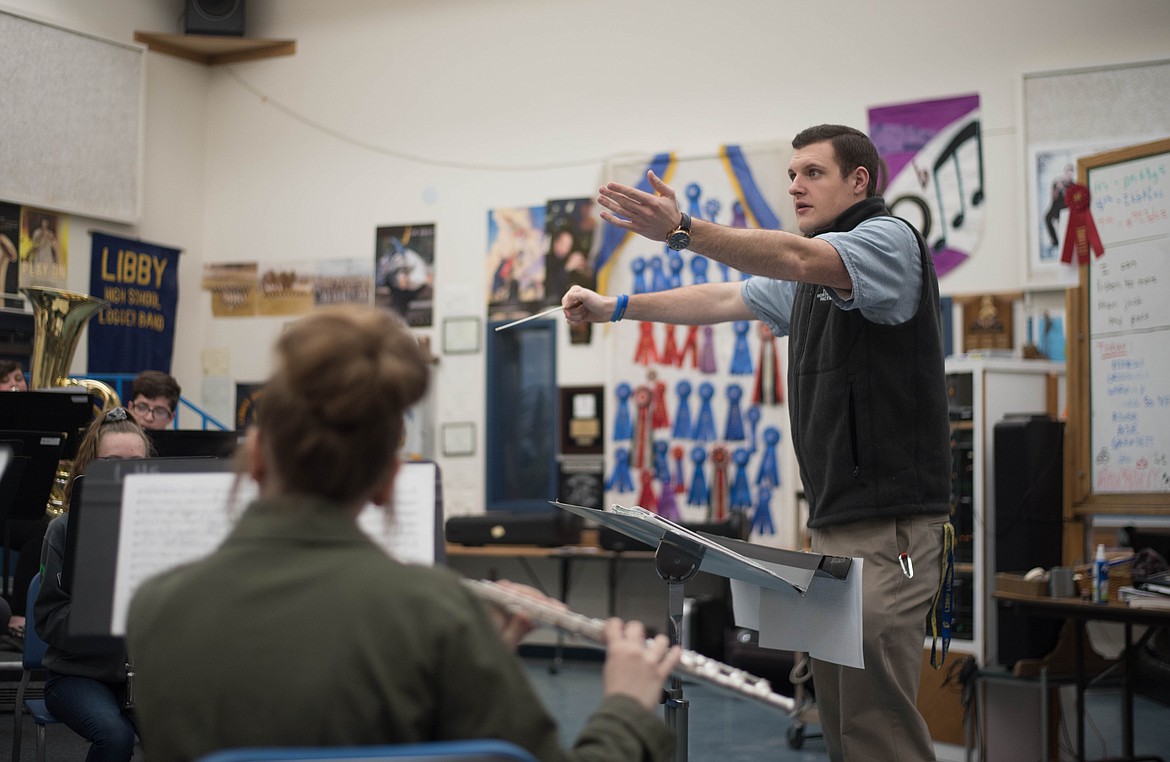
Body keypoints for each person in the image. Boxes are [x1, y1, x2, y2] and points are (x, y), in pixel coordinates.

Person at [126, 305, 680, 762]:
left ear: (257, 455)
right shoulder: (437, 616)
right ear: (390, 481)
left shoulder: (157, 608)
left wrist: (469, 660)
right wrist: (625, 710)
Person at [563, 124, 951, 762]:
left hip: (894, 535)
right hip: (834, 527)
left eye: (814, 173)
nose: (796, 184)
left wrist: (683, 231)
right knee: (844, 719)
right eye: (792, 172)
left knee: (879, 720)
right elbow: (721, 297)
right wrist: (617, 307)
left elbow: (796, 259)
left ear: (860, 180)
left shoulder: (887, 241)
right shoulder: (809, 276)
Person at [35, 406, 151, 762]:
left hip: (148, 674)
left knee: (193, 735)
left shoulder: (161, 528)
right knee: (114, 737)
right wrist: (105, 615)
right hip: (77, 674)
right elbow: (47, 619)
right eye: (112, 463)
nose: (125, 475)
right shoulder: (64, 530)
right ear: (88, 468)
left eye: (136, 464)